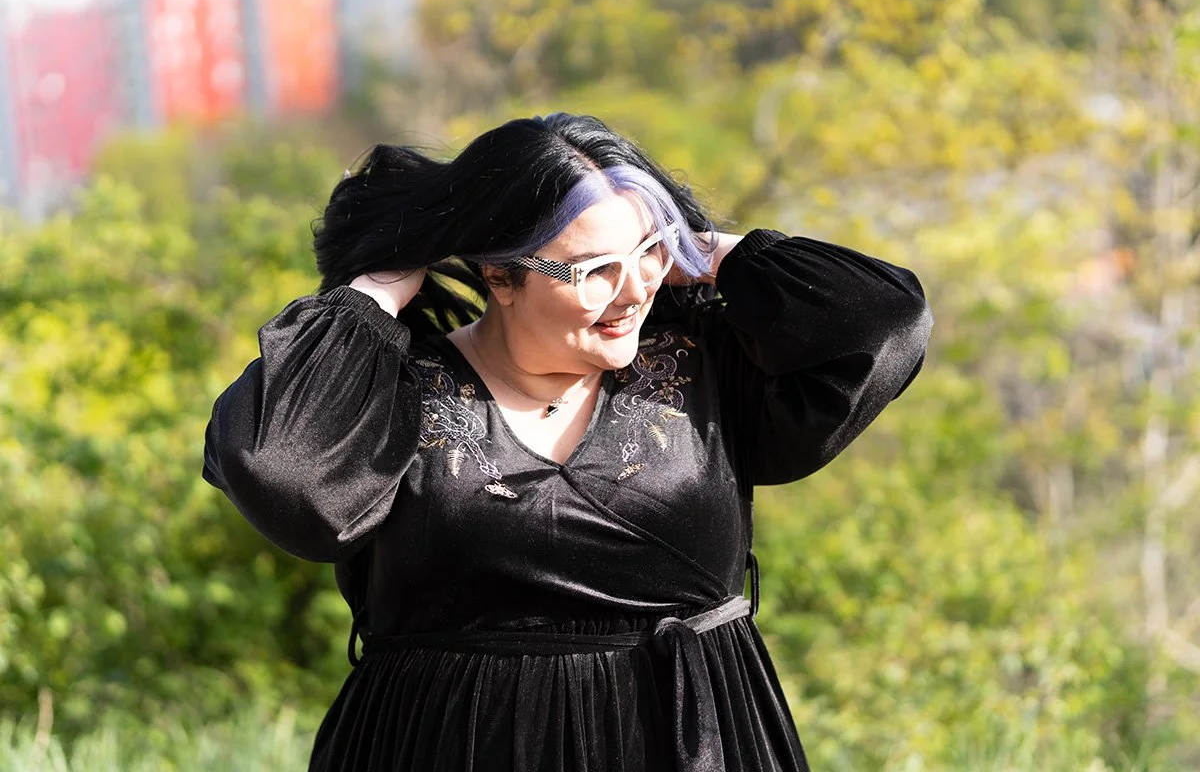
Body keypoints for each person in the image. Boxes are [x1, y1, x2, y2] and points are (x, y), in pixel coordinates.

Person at [201, 112, 933, 772]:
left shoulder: (705, 366)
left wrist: (706, 252)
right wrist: (381, 288)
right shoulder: (401, 394)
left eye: (648, 254)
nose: (635, 290)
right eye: (595, 271)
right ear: (501, 275)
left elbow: (885, 326)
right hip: (438, 746)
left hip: (693, 742)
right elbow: (281, 471)